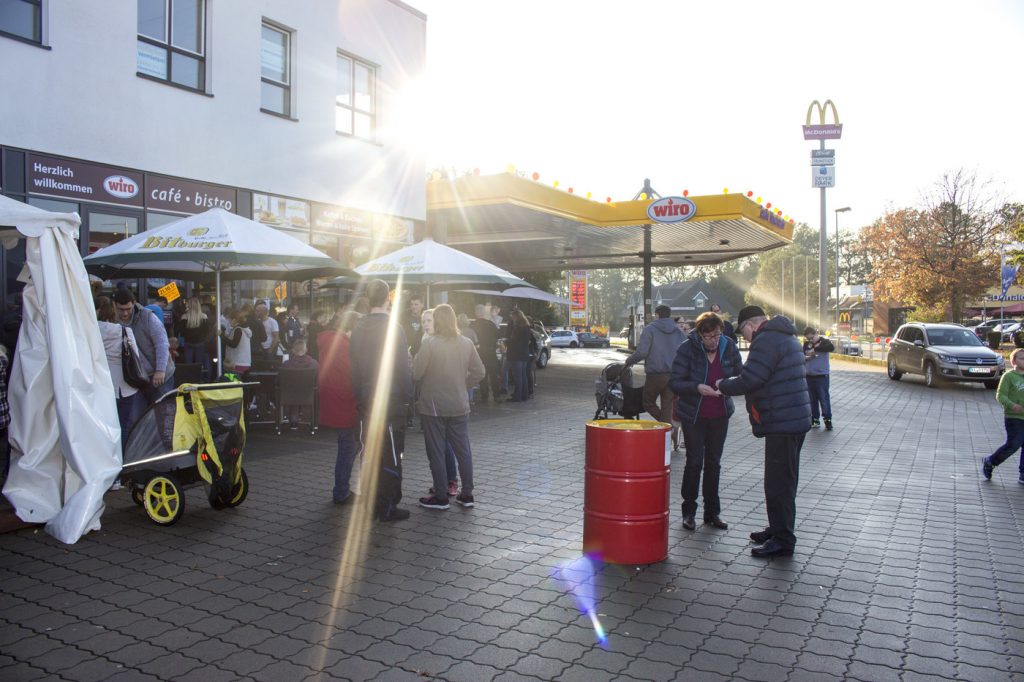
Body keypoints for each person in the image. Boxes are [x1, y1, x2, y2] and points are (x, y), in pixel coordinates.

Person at [717, 305, 811, 558]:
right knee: (784, 480)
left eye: (743, 333)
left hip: (783, 421)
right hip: (792, 418)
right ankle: (779, 528)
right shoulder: (785, 336)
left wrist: (722, 385)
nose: (745, 338)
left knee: (778, 484)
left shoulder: (766, 340)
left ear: (750, 325)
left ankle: (783, 540)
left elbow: (752, 378)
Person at [670, 312, 743, 532]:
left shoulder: (728, 346)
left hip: (720, 414)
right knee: (694, 462)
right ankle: (688, 512)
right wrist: (697, 388)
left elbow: (742, 376)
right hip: (694, 415)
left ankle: (712, 513)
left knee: (714, 463)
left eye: (717, 335)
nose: (714, 340)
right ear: (699, 334)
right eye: (709, 336)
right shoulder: (686, 348)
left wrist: (727, 384)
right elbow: (675, 382)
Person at [349, 279, 413, 522]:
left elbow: (353, 367)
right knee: (392, 454)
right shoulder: (393, 327)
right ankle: (387, 506)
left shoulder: (358, 327)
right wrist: (407, 399)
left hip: (366, 401)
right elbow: (402, 367)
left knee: (370, 452)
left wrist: (360, 395)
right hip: (391, 401)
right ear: (388, 299)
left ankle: (372, 502)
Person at [413, 304, 486, 510]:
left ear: (437, 321)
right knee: (463, 451)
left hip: (433, 407)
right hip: (459, 404)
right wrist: (464, 384)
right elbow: (480, 372)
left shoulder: (430, 344)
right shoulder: (466, 343)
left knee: (436, 452)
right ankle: (467, 494)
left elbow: (416, 373)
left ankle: (441, 495)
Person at [319, 311, 362, 504]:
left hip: (335, 401)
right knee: (348, 447)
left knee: (350, 445)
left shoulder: (328, 341)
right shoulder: (343, 345)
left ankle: (342, 489)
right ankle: (341, 491)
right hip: (345, 402)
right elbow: (354, 373)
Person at [96, 296, 145, 452]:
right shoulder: (125, 331)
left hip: (100, 386)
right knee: (122, 426)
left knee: (102, 427)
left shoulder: (89, 331)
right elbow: (135, 355)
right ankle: (120, 461)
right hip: (125, 386)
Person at [112, 288, 175, 403]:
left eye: (128, 309)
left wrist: (160, 370)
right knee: (139, 417)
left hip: (159, 375)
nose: (125, 313)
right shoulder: (113, 321)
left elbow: (162, 343)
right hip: (136, 377)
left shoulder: (147, 316)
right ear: (114, 305)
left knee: (163, 414)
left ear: (134, 303)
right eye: (121, 309)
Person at [624, 305, 684, 423]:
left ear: (657, 315)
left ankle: (668, 427)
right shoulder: (678, 331)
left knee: (647, 402)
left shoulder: (650, 329)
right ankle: (668, 432)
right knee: (667, 406)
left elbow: (642, 352)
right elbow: (684, 352)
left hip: (655, 375)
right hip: (673, 375)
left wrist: (629, 361)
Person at [982, 347, 1024, 485]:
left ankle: (1023, 474)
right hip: (1014, 417)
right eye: (1021, 358)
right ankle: (990, 461)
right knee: (1014, 444)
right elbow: (1000, 395)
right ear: (1013, 361)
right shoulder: (1009, 376)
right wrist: (1012, 405)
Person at [803, 325, 835, 430]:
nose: (810, 340)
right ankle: (815, 419)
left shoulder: (824, 341)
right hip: (809, 376)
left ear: (816, 334)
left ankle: (827, 419)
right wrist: (809, 355)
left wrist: (815, 348)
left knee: (823, 398)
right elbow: (803, 354)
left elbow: (830, 348)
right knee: (812, 399)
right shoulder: (806, 345)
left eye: (812, 338)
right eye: (808, 339)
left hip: (822, 376)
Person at [471, 304, 501, 404]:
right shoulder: (491, 324)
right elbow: (498, 335)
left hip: (479, 353)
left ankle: (485, 396)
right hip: (491, 352)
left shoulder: (473, 325)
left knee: (482, 375)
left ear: (476, 313)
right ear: (484, 313)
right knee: (494, 375)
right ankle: (496, 395)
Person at [181, 297, 214, 379]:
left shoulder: (184, 317)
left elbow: (181, 333)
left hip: (188, 343)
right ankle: (199, 380)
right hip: (200, 343)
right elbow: (207, 331)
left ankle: (189, 380)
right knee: (199, 364)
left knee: (188, 365)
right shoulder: (204, 316)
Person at [505, 310, 533, 402]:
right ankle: (524, 395)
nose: (512, 319)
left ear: (516, 317)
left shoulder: (518, 328)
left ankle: (517, 397)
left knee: (518, 377)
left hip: (516, 355)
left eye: (513, 317)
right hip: (524, 354)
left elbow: (514, 341)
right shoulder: (527, 327)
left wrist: (506, 342)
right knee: (523, 376)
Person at [222, 309, 253, 374]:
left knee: (234, 381)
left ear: (234, 320)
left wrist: (221, 336)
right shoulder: (244, 330)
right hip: (244, 362)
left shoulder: (238, 330)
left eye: (229, 319)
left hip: (237, 363)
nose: (228, 321)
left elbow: (234, 344)